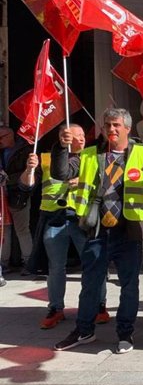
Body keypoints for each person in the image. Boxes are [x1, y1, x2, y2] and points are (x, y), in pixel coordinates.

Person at [52, 108, 143, 354]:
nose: (111, 129)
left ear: (127, 128)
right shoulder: (89, 154)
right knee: (91, 284)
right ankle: (84, 330)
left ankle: (125, 334)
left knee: (130, 286)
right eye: (107, 124)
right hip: (97, 231)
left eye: (116, 125)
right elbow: (61, 173)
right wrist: (60, 149)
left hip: (129, 232)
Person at [19, 125, 109, 329]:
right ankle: (55, 308)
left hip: (83, 219)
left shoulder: (92, 156)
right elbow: (27, 186)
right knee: (55, 267)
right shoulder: (46, 157)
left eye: (82, 136)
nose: (81, 140)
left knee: (93, 264)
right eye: (74, 136)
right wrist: (29, 169)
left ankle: (99, 305)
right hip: (54, 218)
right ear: (62, 138)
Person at [0, 125, 33, 274]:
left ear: (10, 135)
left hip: (18, 194)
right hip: (2, 195)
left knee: (22, 229)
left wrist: (8, 180)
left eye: (2, 137)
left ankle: (28, 262)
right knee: (4, 230)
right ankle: (3, 263)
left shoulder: (26, 150)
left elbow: (30, 173)